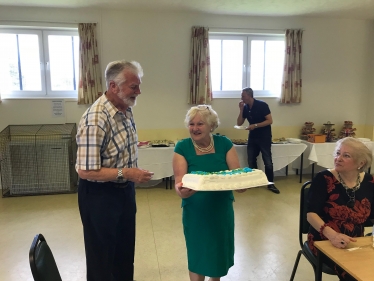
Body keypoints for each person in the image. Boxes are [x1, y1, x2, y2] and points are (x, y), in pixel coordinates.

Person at [76, 60, 154, 281]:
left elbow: (114, 147)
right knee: (101, 258)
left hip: (124, 192)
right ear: (113, 86)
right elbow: (86, 171)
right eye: (134, 86)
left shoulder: (125, 108)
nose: (139, 91)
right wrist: (127, 173)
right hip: (99, 196)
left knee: (123, 253)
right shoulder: (96, 119)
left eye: (138, 85)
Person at [173, 105, 247, 281]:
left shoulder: (225, 144)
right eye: (191, 124)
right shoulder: (182, 148)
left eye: (200, 124)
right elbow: (179, 183)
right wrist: (182, 192)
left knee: (217, 255)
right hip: (196, 212)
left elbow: (236, 176)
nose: (195, 128)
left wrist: (243, 184)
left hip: (221, 211)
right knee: (198, 254)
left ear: (211, 126)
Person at [307, 137, 374, 280]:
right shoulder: (323, 178)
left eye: (346, 155)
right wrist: (333, 235)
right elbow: (311, 214)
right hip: (324, 239)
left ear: (360, 163)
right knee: (354, 272)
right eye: (337, 153)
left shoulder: (369, 182)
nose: (338, 158)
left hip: (356, 240)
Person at [236, 87, 279, 194]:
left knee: (267, 161)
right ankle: (254, 181)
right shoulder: (245, 107)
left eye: (243, 96)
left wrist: (255, 125)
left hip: (264, 137)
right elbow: (239, 123)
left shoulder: (262, 105)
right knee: (251, 159)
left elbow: (270, 120)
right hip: (252, 137)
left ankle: (270, 184)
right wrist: (241, 110)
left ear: (249, 95)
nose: (241, 98)